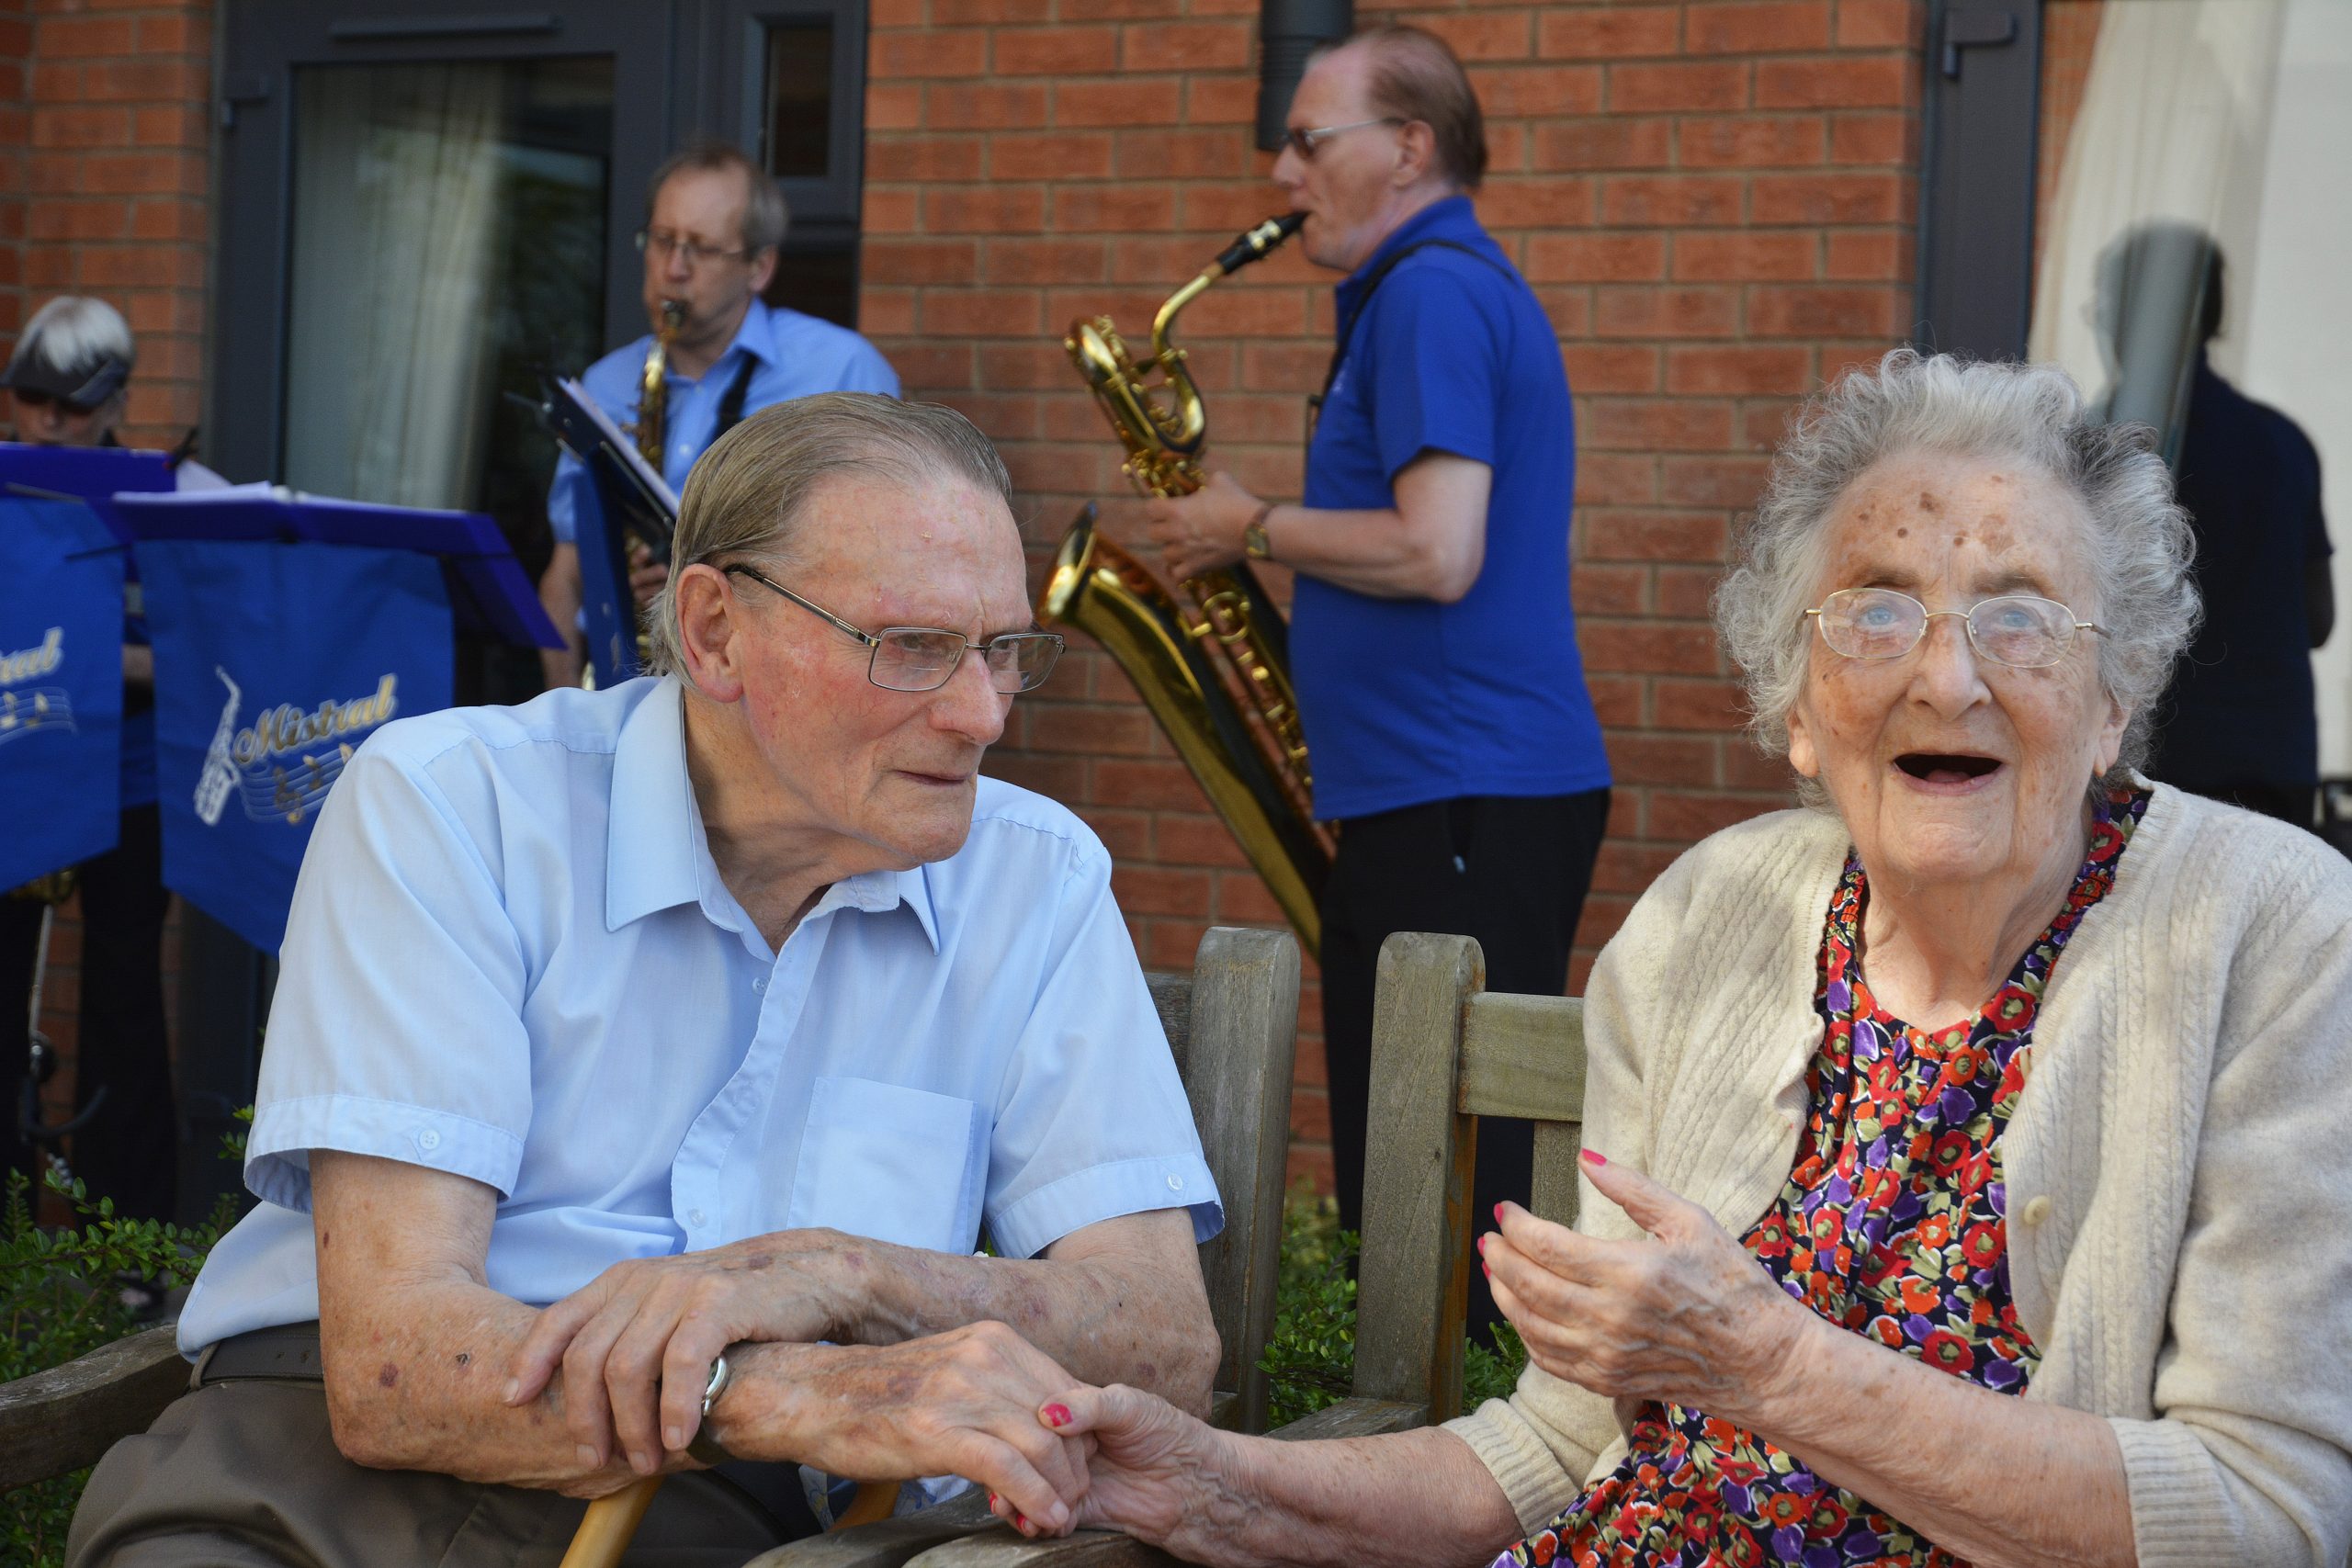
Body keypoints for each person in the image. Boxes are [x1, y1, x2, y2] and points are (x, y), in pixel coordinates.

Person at [1002, 353, 2352, 1567]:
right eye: (1875, 611)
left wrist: (1773, 1365)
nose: (1946, 678)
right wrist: (1221, 1485)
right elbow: (1558, 1448)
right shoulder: (1713, 914)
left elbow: (2269, 1509)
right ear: (1800, 709)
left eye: (2018, 615)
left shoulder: (2271, 931)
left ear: (2114, 699)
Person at [68, 395, 1222, 1568]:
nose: (981, 714)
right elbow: (392, 1367)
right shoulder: (456, 807)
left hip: (723, 1518)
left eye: (1003, 650)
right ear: (715, 631)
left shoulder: (1034, 880)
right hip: (312, 1467)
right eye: (911, 646)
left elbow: (1167, 1339)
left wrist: (836, 1273)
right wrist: (790, 1394)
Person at [1140, 26, 1610, 1333]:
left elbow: (1437, 547)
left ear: (1407, 148)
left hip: (1463, 796)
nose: (1282, 171)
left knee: (1443, 1195)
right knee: (1429, 1176)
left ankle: (1455, 1468)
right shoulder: (1440, 291)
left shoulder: (1429, 294)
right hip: (1450, 793)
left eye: (1308, 139)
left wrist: (1247, 526)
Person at [0, 297, 222, 1248]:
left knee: (126, 1004)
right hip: (21, 768)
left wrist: (93, 657)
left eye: (73, 404)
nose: (49, 421)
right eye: (32, 398)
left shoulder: (172, 498)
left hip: (129, 779)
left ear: (118, 401)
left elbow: (208, 656)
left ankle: (127, 1245)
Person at [537, 139, 899, 688]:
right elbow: (565, 576)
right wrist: (564, 719)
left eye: (701, 249)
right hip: (623, 686)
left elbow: (882, 560)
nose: (673, 269)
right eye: (662, 241)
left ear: (759, 267)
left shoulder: (841, 370)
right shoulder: (606, 385)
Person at [2105, 227, 2335, 827]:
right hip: (2272, 760)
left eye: (2106, 308)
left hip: (2153, 760)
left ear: (2134, 315)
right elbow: (2319, 618)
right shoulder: (2283, 443)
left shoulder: (2101, 445)